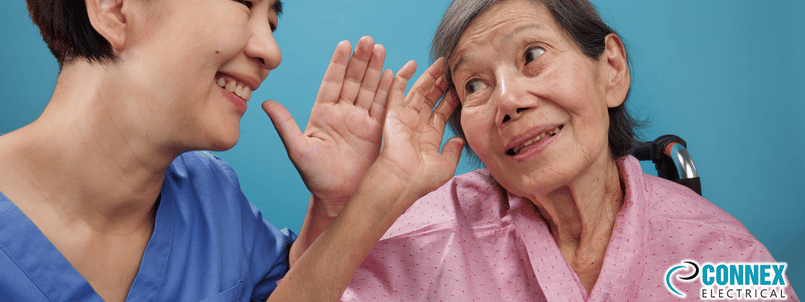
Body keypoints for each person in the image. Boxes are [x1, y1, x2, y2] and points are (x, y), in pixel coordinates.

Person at [0, 0, 463, 301]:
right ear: (115, 9)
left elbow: (291, 289)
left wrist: (338, 204)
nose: (271, 50)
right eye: (243, 4)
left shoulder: (212, 199)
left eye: (272, 20)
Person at [341, 0, 799, 301]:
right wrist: (360, 196)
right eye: (474, 85)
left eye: (532, 56)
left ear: (612, 69)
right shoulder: (424, 238)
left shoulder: (726, 256)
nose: (507, 100)